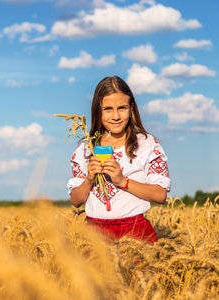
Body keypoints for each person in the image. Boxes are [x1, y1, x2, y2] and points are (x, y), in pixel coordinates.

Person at [67, 76, 171, 243]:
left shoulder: (147, 144)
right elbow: (75, 200)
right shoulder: (86, 148)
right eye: (107, 109)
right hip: (94, 237)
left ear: (131, 108)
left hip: (135, 235)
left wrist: (122, 181)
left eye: (122, 108)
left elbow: (160, 195)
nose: (115, 116)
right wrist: (89, 180)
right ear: (97, 110)